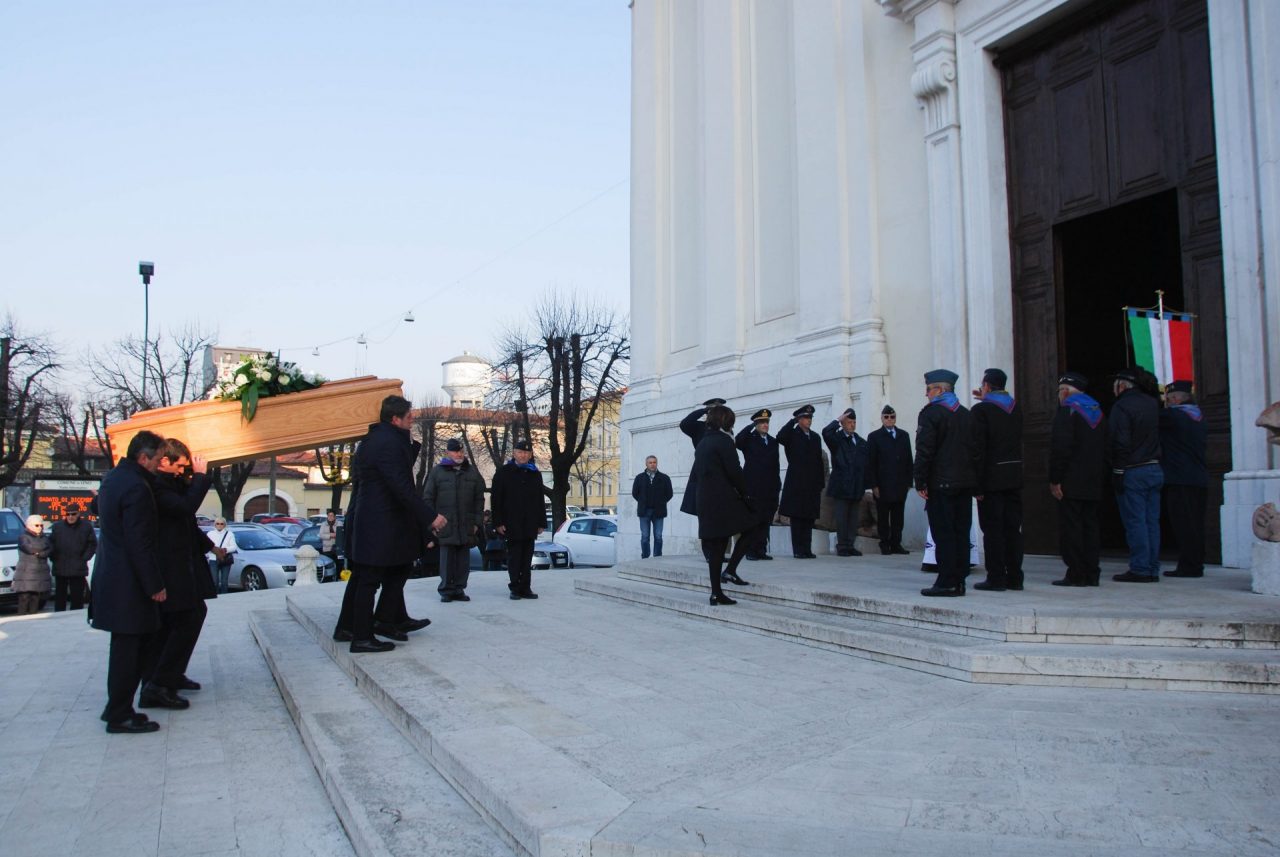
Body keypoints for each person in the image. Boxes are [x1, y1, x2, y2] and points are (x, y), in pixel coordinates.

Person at [336, 395, 445, 652]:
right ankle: (361, 636)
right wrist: (430, 517)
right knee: (368, 579)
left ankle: (381, 620)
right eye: (409, 417)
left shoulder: (379, 439)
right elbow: (401, 487)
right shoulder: (387, 443)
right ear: (395, 419)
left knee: (397, 569)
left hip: (380, 520)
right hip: (380, 521)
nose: (412, 420)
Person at [90, 430, 167, 734]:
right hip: (130, 584)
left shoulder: (113, 478)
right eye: (158, 460)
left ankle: (116, 708)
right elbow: (139, 542)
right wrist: (154, 584)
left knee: (124, 648)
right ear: (143, 457)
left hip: (112, 577)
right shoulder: (136, 487)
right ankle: (119, 713)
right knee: (130, 651)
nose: (160, 466)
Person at [140, 438, 216, 709]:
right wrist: (200, 477)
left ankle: (167, 676)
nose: (185, 471)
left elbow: (186, 519)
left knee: (187, 617)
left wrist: (211, 547)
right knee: (184, 619)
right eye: (181, 466)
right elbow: (185, 507)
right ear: (163, 462)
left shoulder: (168, 483)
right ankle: (158, 683)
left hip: (181, 567)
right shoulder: (156, 486)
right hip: (169, 569)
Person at [914, 369, 977, 597]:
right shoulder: (966, 414)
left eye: (929, 389)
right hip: (965, 483)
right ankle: (959, 580)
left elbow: (924, 450)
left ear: (939, 389)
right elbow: (975, 451)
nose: (926, 394)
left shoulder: (931, 414)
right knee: (961, 532)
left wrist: (920, 480)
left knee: (944, 533)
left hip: (941, 484)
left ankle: (947, 580)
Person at [1049, 372, 1107, 587]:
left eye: (1059, 391)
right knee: (1090, 527)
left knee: (1072, 528)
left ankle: (1076, 573)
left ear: (1065, 391)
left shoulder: (1068, 410)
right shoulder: (1097, 410)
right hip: (1093, 479)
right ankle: (1092, 572)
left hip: (1071, 480)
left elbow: (1061, 447)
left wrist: (1055, 479)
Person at [693, 405, 754, 604]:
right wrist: (746, 494)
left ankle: (716, 591)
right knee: (753, 526)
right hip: (723, 500)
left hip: (706, 500)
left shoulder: (704, 442)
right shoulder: (723, 441)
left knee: (717, 548)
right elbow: (735, 471)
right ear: (726, 422)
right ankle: (727, 574)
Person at [970, 368, 1025, 591]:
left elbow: (977, 449)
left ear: (986, 386)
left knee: (993, 530)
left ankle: (996, 577)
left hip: (991, 479)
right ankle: (1015, 576)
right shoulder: (1015, 408)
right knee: (1013, 529)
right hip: (1013, 477)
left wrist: (976, 483)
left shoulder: (981, 411)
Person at [1109, 367, 1163, 582]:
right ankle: (1151, 567)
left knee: (1136, 521)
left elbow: (1120, 442)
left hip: (1133, 470)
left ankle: (1140, 568)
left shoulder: (1122, 406)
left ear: (1122, 385)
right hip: (1154, 468)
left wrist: (1118, 470)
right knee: (1151, 521)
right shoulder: (1153, 403)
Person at [425, 438, 486, 602]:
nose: (458, 454)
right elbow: (428, 498)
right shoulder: (437, 472)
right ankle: (446, 589)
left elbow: (479, 499)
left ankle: (459, 589)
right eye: (455, 451)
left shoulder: (472, 472)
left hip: (466, 523)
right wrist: (432, 521)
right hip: (445, 523)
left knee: (463, 560)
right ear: (448, 452)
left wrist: (477, 522)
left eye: (461, 451)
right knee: (446, 559)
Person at [1160, 380, 1208, 577]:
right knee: (1195, 523)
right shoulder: (1199, 416)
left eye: (1170, 398)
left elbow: (1151, 417)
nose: (1168, 402)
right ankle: (1195, 563)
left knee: (1184, 524)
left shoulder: (1175, 416)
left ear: (1178, 398)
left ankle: (1189, 566)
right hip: (1199, 477)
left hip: (1180, 478)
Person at [490, 439, 546, 599]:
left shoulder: (534, 473)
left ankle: (526, 587)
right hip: (511, 523)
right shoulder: (504, 472)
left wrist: (541, 522)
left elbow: (539, 499)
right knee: (514, 557)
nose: (523, 455)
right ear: (514, 453)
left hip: (529, 523)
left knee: (527, 557)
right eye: (520, 452)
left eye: (526, 453)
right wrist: (498, 522)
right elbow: (496, 499)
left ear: (530, 455)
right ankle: (515, 587)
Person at [821, 407, 869, 557]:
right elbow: (826, 432)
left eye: (854, 422)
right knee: (842, 518)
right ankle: (842, 545)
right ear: (843, 423)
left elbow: (864, 465)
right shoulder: (837, 439)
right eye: (849, 422)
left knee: (854, 518)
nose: (852, 424)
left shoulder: (860, 442)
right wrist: (838, 419)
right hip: (842, 485)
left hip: (856, 485)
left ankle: (850, 544)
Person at [778, 404, 824, 558]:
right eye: (805, 418)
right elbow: (780, 437)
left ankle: (807, 548)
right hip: (797, 482)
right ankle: (798, 549)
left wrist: (820, 482)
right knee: (797, 518)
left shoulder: (815, 437)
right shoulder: (792, 434)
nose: (808, 421)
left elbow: (819, 461)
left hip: (811, 483)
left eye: (810, 418)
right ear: (799, 419)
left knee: (809, 518)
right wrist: (792, 422)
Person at [735, 408, 781, 561]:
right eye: (761, 422)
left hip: (770, 487)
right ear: (756, 424)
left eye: (766, 422)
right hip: (754, 487)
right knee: (754, 521)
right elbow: (738, 440)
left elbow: (775, 465)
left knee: (765, 521)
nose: (765, 425)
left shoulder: (773, 442)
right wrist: (750, 426)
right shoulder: (749, 439)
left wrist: (777, 484)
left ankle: (761, 549)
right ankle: (750, 550)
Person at [866, 405, 913, 555]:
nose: (889, 420)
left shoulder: (903, 435)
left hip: (899, 483)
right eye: (886, 417)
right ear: (881, 418)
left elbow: (908, 460)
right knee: (883, 517)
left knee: (898, 517)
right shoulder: (874, 437)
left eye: (892, 417)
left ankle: (896, 543)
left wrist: (908, 482)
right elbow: (871, 463)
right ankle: (884, 543)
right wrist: (874, 485)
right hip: (883, 484)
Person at [49, 505, 96, 611]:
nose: (70, 517)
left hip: (78, 568)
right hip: (60, 567)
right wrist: (53, 557)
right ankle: (57, 620)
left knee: (77, 598)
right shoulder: (57, 527)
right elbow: (50, 544)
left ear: (78, 514)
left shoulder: (86, 527)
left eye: (73, 514)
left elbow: (92, 544)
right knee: (60, 598)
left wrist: (85, 558)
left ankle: (74, 622)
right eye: (68, 514)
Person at [631, 455, 673, 559]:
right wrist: (642, 502)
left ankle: (657, 557)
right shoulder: (639, 478)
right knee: (645, 537)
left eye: (654, 462)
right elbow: (635, 493)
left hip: (659, 512)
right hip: (644, 512)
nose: (652, 464)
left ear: (657, 463)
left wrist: (661, 502)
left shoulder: (664, 478)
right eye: (650, 462)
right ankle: (645, 556)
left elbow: (669, 493)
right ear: (646, 464)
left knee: (658, 536)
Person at [15, 514, 52, 614]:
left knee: (35, 598)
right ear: (29, 526)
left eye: (41, 525)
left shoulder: (45, 538)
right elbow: (28, 548)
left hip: (39, 573)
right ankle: (21, 622)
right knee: (24, 597)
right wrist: (41, 551)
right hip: (26, 574)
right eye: (37, 525)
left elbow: (50, 549)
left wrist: (39, 553)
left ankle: (33, 621)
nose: (40, 527)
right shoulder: (23, 537)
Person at [206, 517, 238, 595]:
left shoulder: (229, 534)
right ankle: (215, 595)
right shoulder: (210, 534)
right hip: (213, 559)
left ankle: (224, 596)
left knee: (224, 581)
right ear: (215, 525)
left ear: (224, 525)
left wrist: (225, 550)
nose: (219, 525)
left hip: (225, 559)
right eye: (217, 523)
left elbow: (234, 547)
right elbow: (206, 547)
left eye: (221, 524)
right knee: (214, 581)